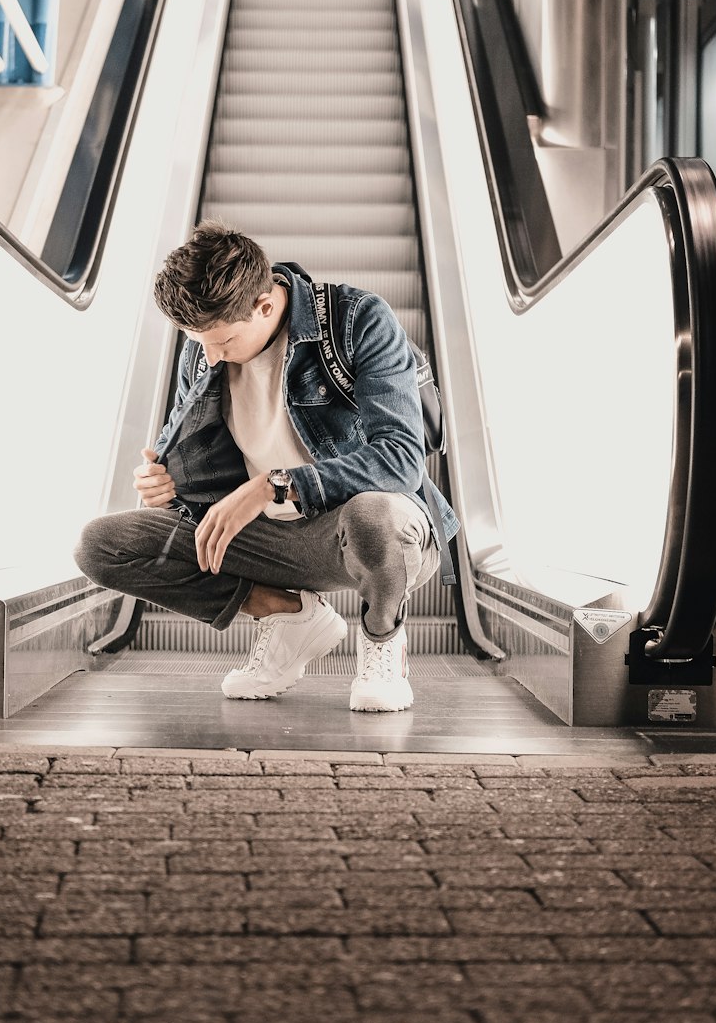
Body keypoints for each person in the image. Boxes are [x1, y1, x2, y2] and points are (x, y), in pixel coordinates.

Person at [74, 222, 460, 711]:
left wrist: (275, 486)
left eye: (225, 341)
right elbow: (203, 472)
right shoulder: (204, 346)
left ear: (264, 305)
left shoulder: (357, 318)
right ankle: (287, 613)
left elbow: (402, 460)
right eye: (199, 341)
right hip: (267, 540)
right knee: (101, 546)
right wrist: (167, 486)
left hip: (362, 533)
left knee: (374, 515)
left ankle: (383, 642)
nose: (211, 356)